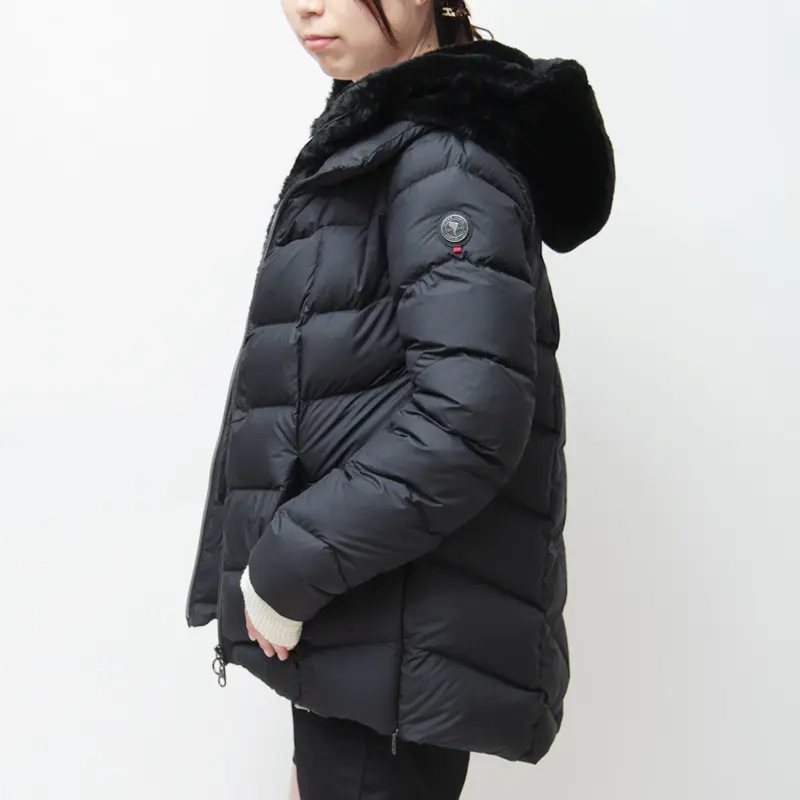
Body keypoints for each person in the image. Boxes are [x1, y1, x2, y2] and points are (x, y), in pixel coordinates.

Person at [184, 1, 615, 797]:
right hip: (365, 638)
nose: (306, 6)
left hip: (385, 639)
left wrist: (283, 568)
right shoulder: (394, 136)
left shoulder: (446, 160)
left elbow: (468, 420)